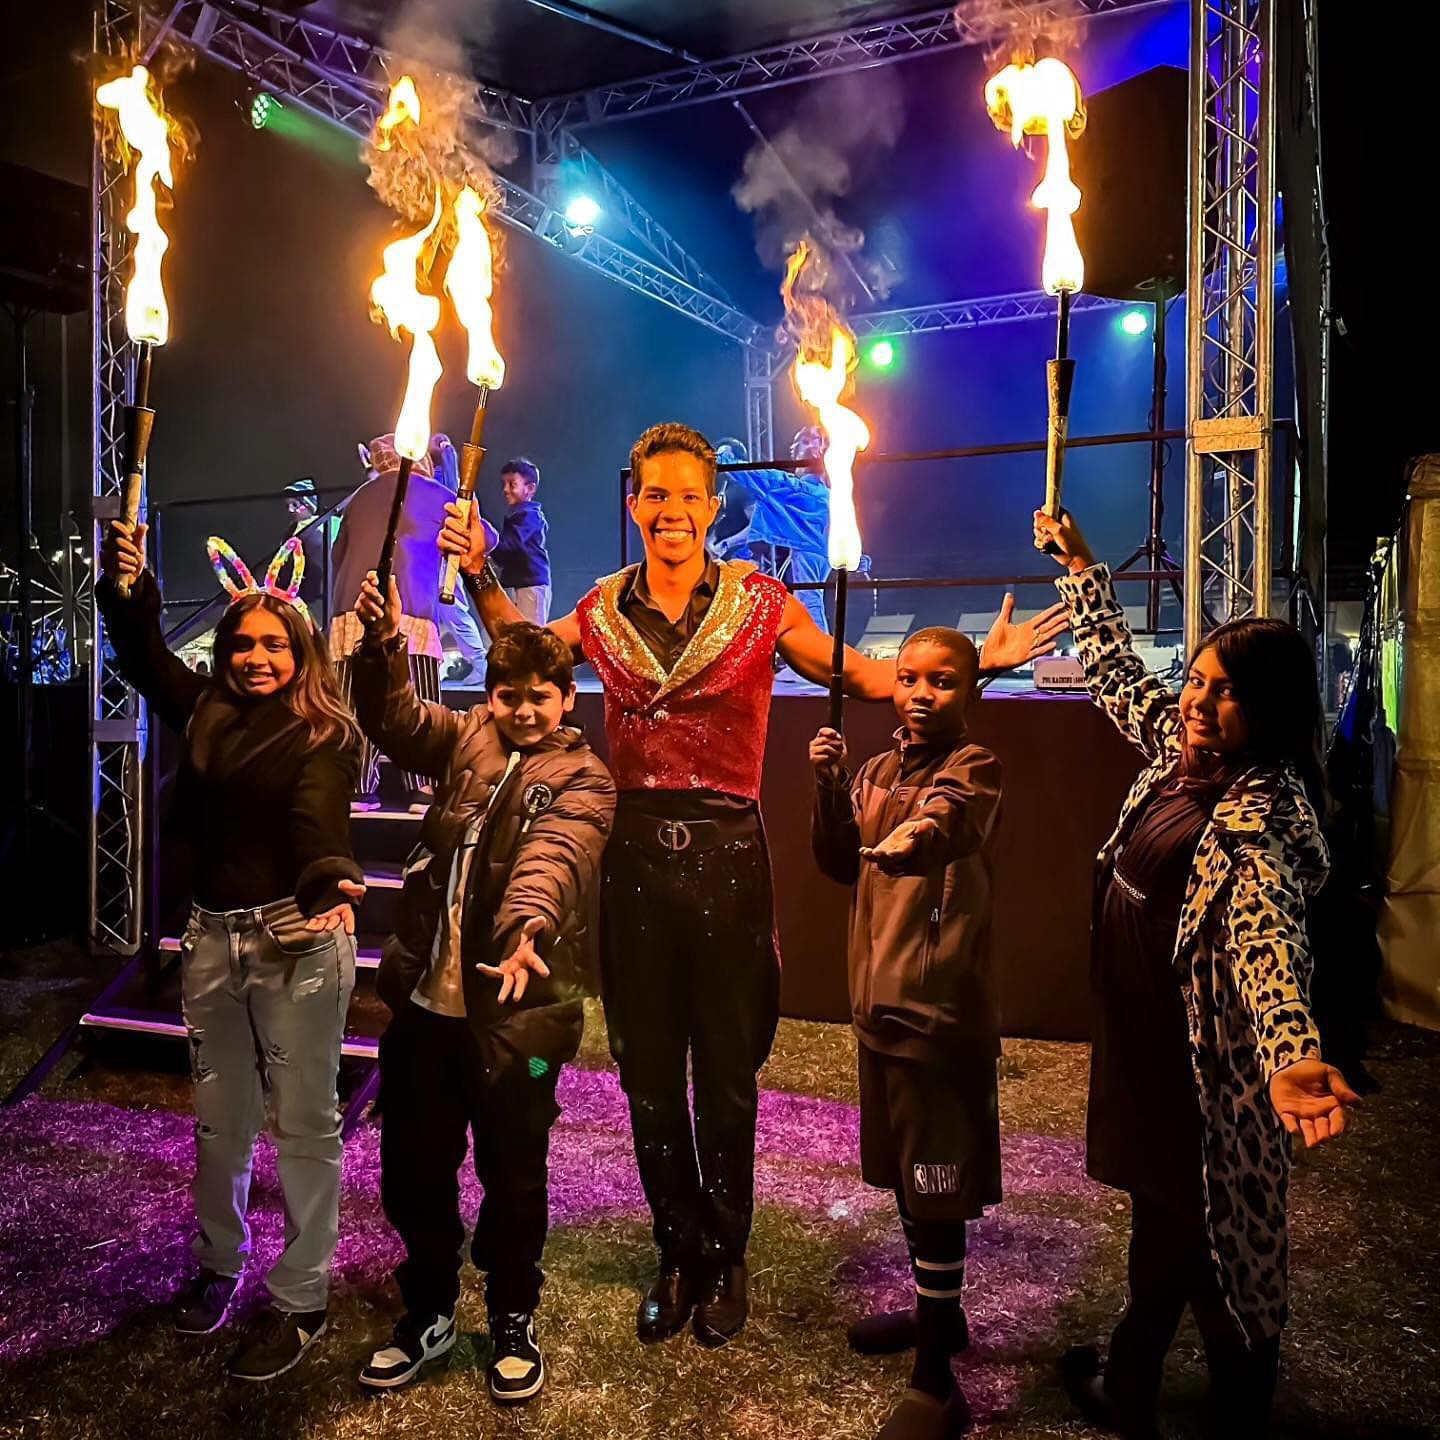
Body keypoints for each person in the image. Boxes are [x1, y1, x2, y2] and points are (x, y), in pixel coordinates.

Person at [438, 421, 1067, 1349]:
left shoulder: (762, 603)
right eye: (656, 495)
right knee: (650, 1079)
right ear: (635, 504)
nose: (673, 511)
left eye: (690, 495)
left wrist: (977, 663)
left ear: (712, 503)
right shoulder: (603, 608)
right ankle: (676, 1251)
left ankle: (726, 1254)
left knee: (728, 1079)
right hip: (635, 863)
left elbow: (862, 673)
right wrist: (478, 572)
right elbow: (522, 651)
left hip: (730, 862)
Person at [1032, 508, 1361, 1440]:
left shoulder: (1259, 821)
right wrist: (1084, 569)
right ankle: (1186, 1387)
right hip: (1148, 1047)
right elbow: (1121, 677)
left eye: (1225, 693)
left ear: (1269, 712)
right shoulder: (1187, 761)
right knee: (1179, 1227)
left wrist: (1291, 1052)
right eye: (1199, 681)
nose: (1196, 702)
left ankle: (1153, 1388)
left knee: (1195, 1236)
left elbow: (1267, 944)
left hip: (1200, 1075)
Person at [97, 517, 365, 1383]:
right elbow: (144, 658)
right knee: (221, 1123)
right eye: (242, 643)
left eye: (273, 644)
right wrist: (130, 588)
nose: (255, 657)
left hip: (296, 940)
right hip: (212, 940)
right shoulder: (206, 709)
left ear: (301, 651)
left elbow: (317, 819)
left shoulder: (324, 732)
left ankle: (302, 1295)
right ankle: (220, 1263)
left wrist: (330, 878)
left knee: (305, 1126)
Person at [347, 569, 614, 1405]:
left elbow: (556, 854)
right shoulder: (467, 738)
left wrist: (529, 926)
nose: (523, 711)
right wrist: (382, 645)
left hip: (520, 1022)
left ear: (566, 699)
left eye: (539, 697)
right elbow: (394, 718)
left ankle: (510, 1316)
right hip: (427, 1011)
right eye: (508, 696)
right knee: (413, 1169)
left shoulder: (586, 778)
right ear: (489, 696)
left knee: (515, 1172)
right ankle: (427, 1310)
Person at [809, 626, 1002, 1440]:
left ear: (971, 689)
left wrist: (913, 837)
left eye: (942, 681)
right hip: (878, 1006)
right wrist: (829, 787)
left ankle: (936, 1382)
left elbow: (949, 819)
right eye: (909, 678)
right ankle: (937, 1316)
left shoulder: (974, 767)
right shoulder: (878, 770)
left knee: (937, 1186)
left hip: (934, 1015)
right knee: (909, 1181)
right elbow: (837, 862)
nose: (922, 693)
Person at [330, 434, 452, 809]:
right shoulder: (436, 493)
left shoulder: (358, 496)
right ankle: (421, 785)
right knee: (417, 694)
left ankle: (357, 785)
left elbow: (338, 553)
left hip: (351, 606)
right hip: (409, 603)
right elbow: (485, 538)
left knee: (352, 698)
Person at [714, 431, 832, 632]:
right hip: (819, 552)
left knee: (808, 599)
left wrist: (725, 456)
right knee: (807, 598)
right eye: (804, 441)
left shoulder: (790, 487)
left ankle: (819, 649)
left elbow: (755, 476)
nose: (809, 446)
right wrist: (728, 543)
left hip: (810, 551)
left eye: (810, 442)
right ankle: (812, 646)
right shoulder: (825, 494)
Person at [428, 432, 490, 685]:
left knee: (453, 611)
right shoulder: (447, 481)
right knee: (438, 613)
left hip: (444, 556)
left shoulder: (439, 483)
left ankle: (480, 662)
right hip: (434, 556)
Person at [491, 457, 552, 625]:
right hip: (516, 584)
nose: (505, 489)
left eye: (512, 484)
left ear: (530, 488)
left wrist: (485, 535)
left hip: (530, 585)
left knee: (529, 634)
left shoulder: (530, 516)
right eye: (504, 484)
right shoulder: (517, 516)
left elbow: (508, 546)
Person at [284, 477, 340, 625]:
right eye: (288, 505)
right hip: (298, 591)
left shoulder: (328, 523)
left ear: (308, 505)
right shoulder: (290, 531)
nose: (290, 510)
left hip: (325, 589)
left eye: (295, 505)